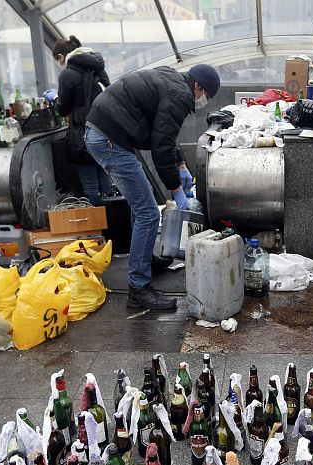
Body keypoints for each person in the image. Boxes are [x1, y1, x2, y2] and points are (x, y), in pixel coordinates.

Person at [84, 64, 219, 310]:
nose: (203, 101)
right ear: (198, 85)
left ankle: (145, 260)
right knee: (148, 212)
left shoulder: (172, 79)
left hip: (105, 131)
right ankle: (138, 288)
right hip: (109, 140)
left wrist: (181, 164)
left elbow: (164, 133)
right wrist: (176, 190)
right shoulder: (181, 95)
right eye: (206, 95)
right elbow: (161, 147)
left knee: (141, 206)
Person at [44, 36, 111, 205]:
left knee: (90, 186)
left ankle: (97, 219)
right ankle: (112, 217)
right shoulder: (98, 67)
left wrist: (54, 98)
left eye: (58, 61)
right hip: (105, 132)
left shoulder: (67, 74)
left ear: (61, 56)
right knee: (106, 180)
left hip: (82, 135)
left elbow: (63, 109)